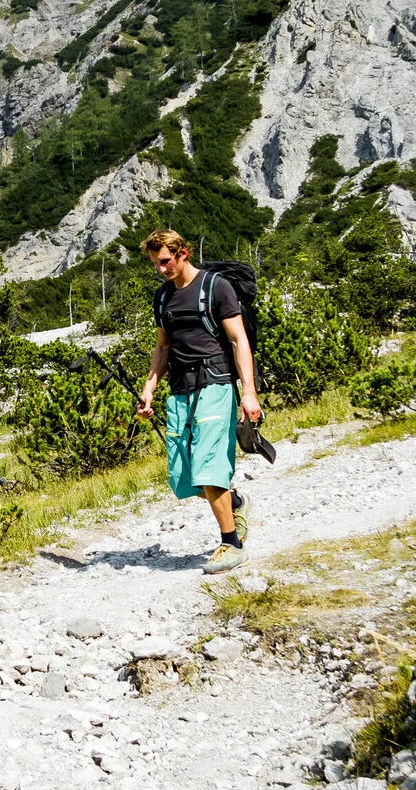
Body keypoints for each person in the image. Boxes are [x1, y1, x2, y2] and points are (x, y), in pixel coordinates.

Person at [136, 230, 262, 574]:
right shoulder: (163, 297)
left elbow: (238, 340)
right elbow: (163, 346)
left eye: (165, 261)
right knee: (184, 476)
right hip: (180, 389)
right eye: (155, 264)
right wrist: (149, 388)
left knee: (208, 465)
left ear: (183, 253)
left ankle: (232, 544)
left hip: (215, 383)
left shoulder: (216, 287)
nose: (161, 269)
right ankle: (235, 501)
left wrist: (248, 392)